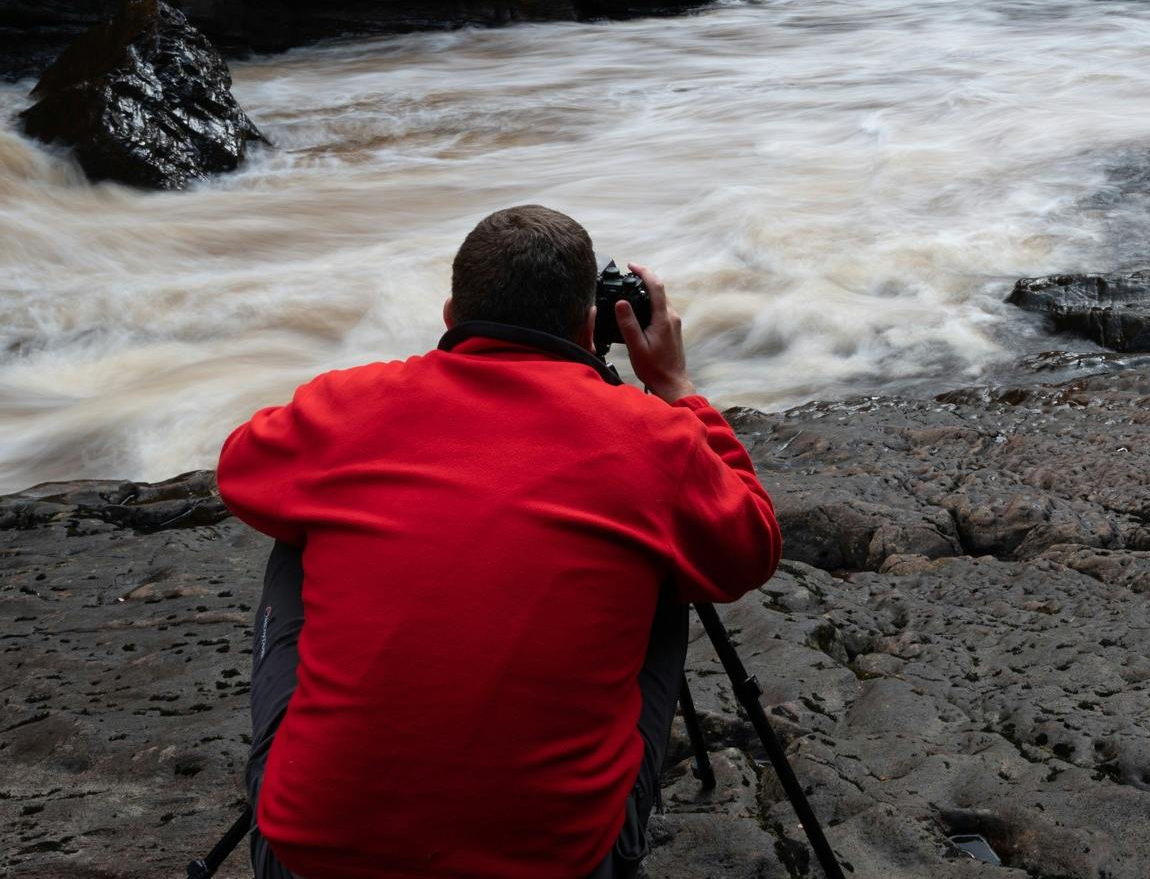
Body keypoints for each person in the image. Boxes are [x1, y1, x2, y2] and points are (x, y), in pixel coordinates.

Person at [216, 205, 783, 879]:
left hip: (308, 858)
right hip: (559, 865)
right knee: (672, 551)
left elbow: (240, 471)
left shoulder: (347, 404)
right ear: (590, 326)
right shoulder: (651, 439)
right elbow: (748, 548)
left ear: (452, 315)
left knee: (299, 524)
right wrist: (673, 386)